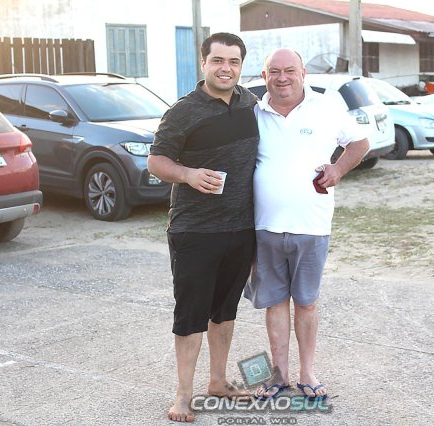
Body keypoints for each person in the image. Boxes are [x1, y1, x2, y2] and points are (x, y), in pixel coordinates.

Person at [244, 48, 369, 401]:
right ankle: (279, 374)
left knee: (306, 303)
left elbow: (360, 143)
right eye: (274, 71)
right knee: (274, 302)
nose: (282, 78)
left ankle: (308, 372)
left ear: (303, 73)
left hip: (312, 225)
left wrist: (338, 169)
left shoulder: (326, 106)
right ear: (264, 76)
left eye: (290, 70)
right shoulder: (253, 112)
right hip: (264, 227)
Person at [147, 32, 259, 423]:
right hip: (195, 231)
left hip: (241, 228)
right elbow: (156, 161)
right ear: (203, 63)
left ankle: (218, 381)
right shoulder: (183, 111)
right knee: (191, 313)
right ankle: (183, 395)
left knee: (225, 311)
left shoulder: (251, 103)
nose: (226, 68)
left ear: (241, 66)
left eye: (233, 61)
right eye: (218, 61)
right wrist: (188, 174)